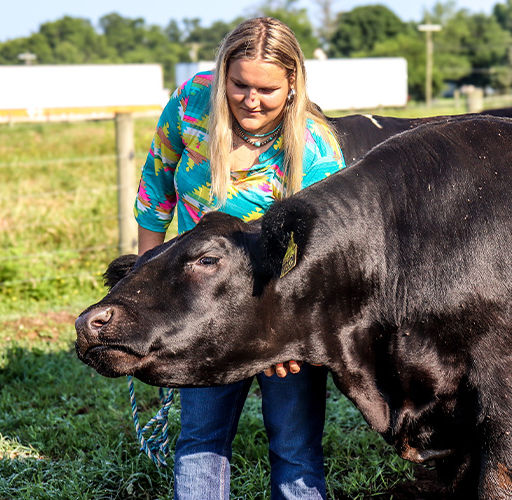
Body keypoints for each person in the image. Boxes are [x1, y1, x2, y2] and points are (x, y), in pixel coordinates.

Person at [133, 17, 346, 500]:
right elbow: (156, 185)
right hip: (200, 308)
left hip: (280, 311)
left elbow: (323, 258)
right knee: (201, 440)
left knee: (295, 448)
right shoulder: (191, 104)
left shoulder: (316, 149)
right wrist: (146, 281)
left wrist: (283, 336)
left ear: (293, 84)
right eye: (239, 84)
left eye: (267, 89)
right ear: (222, 73)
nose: (250, 100)